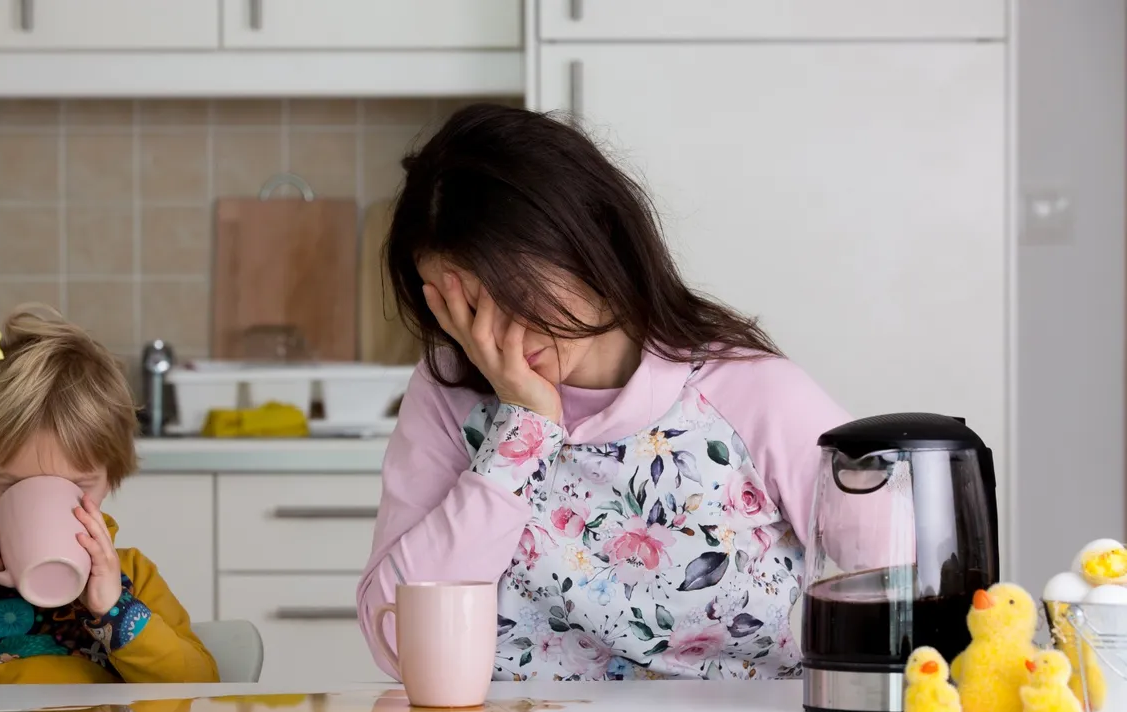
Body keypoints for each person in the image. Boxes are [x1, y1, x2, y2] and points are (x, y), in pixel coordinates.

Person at [356, 104, 854, 682]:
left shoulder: (751, 393)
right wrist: (523, 432)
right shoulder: (448, 394)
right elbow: (399, 645)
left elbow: (916, 567)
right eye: (466, 309)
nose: (494, 333)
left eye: (514, 286)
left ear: (595, 236)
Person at [0, 306, 218, 685]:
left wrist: (116, 610)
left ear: (110, 480)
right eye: (12, 486)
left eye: (76, 488)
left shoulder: (131, 576)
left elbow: (200, 687)